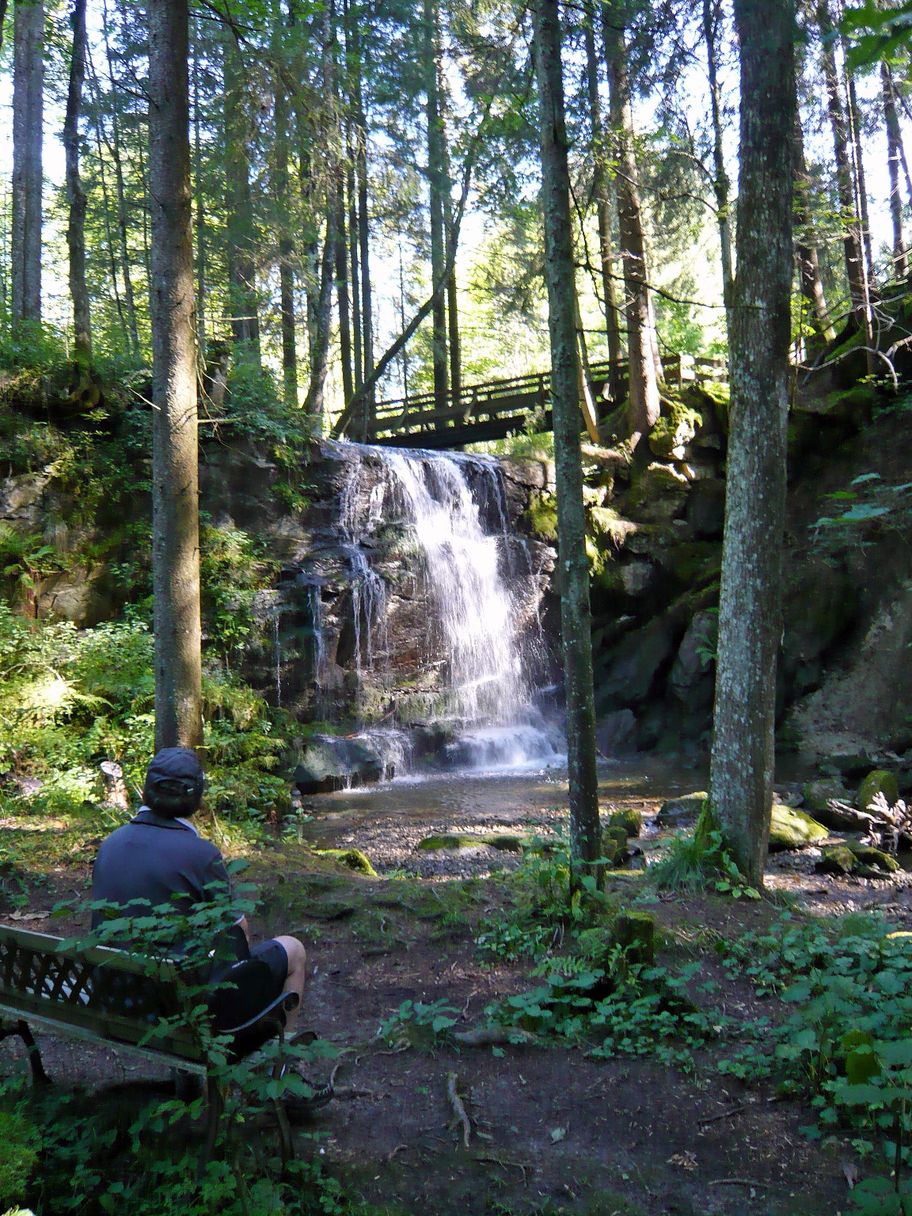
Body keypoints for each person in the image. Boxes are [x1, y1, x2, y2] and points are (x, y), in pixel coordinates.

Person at [92, 746, 330, 1104]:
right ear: (197, 800)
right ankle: (282, 1075)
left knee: (178, 966)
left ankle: (186, 1074)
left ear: (146, 791)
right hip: (179, 1012)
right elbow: (235, 942)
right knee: (292, 949)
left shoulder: (110, 844)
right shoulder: (201, 854)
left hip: (116, 997)